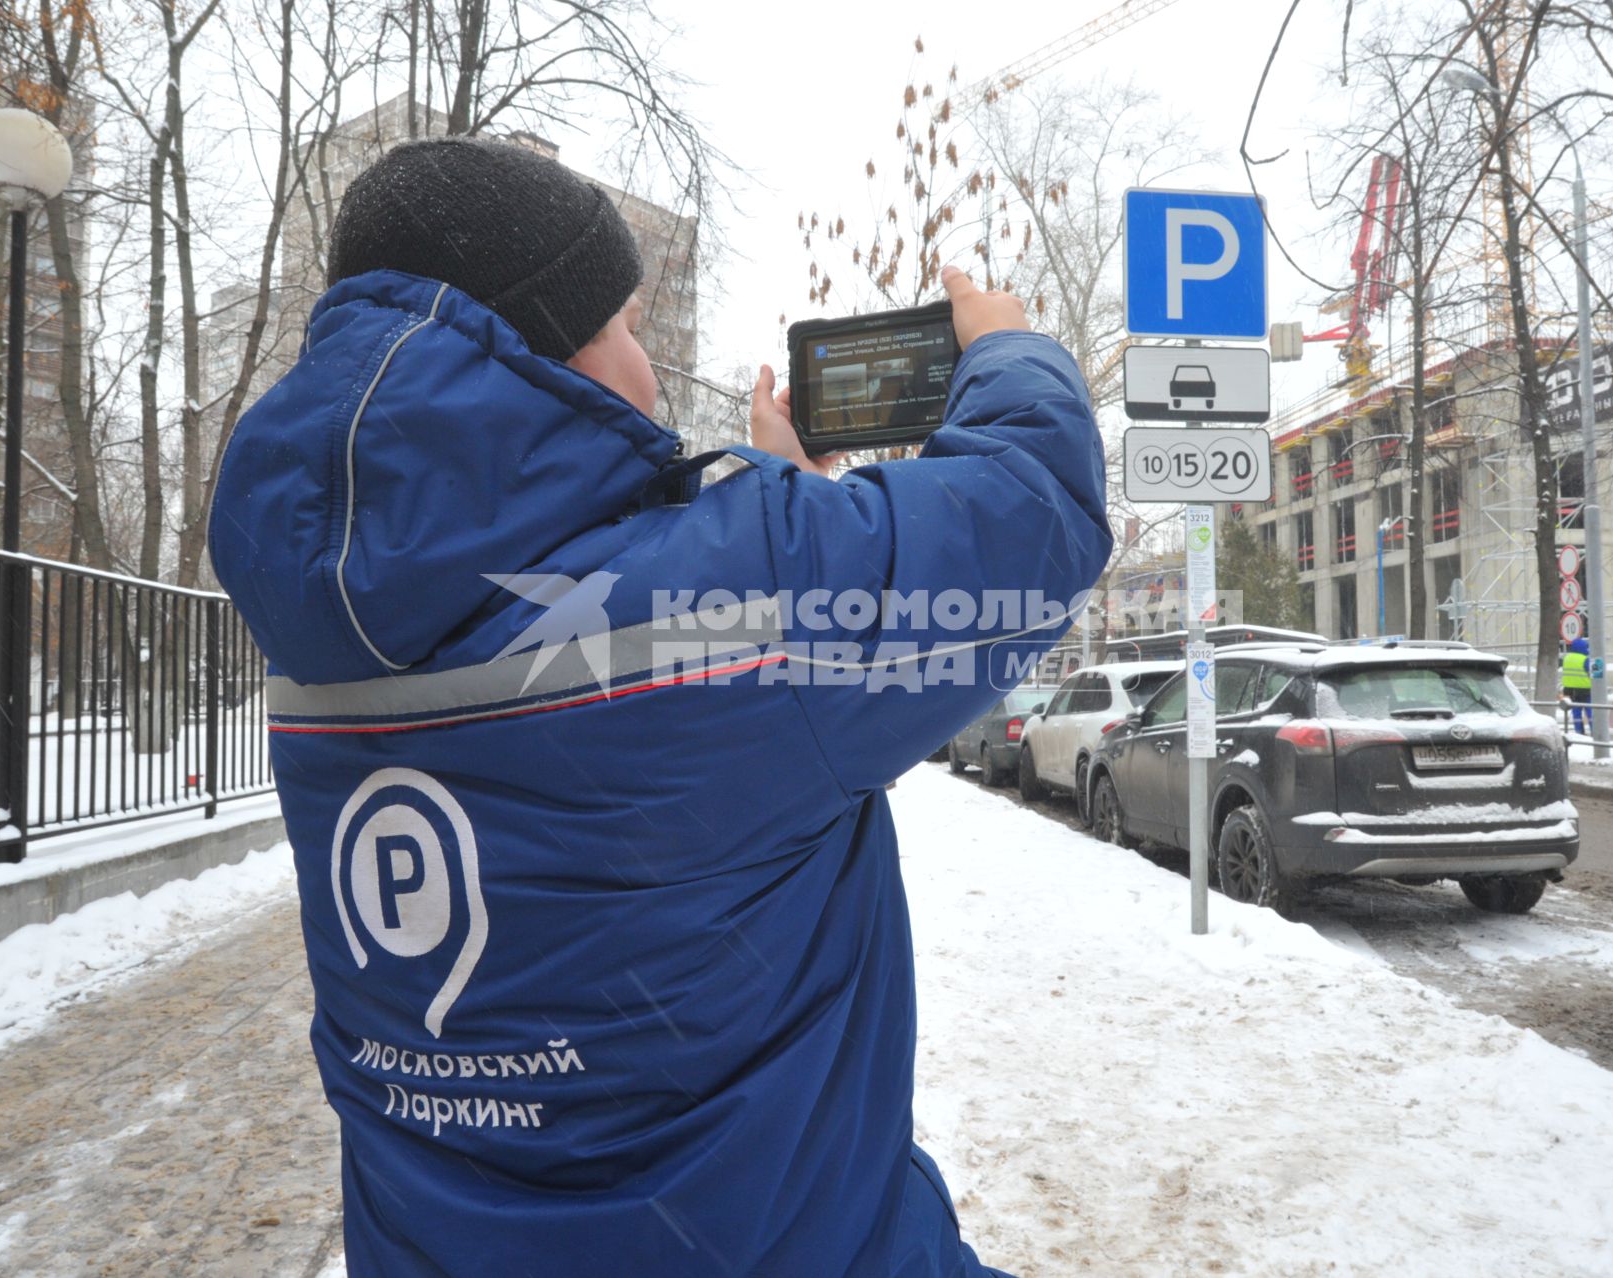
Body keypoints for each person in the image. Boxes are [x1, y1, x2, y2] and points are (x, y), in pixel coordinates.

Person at [207, 137, 1109, 1276]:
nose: (646, 372)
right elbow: (1032, 518)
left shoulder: (319, 627)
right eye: (628, 327)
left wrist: (785, 523)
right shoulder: (745, 594)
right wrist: (1011, 350)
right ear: (545, 358)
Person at [1562, 635, 1594, 734]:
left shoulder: (1566, 658)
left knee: (1576, 712)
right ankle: (1595, 731)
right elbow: (1595, 673)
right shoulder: (1585, 659)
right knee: (1590, 711)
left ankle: (1579, 732)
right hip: (1585, 690)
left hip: (1570, 690)